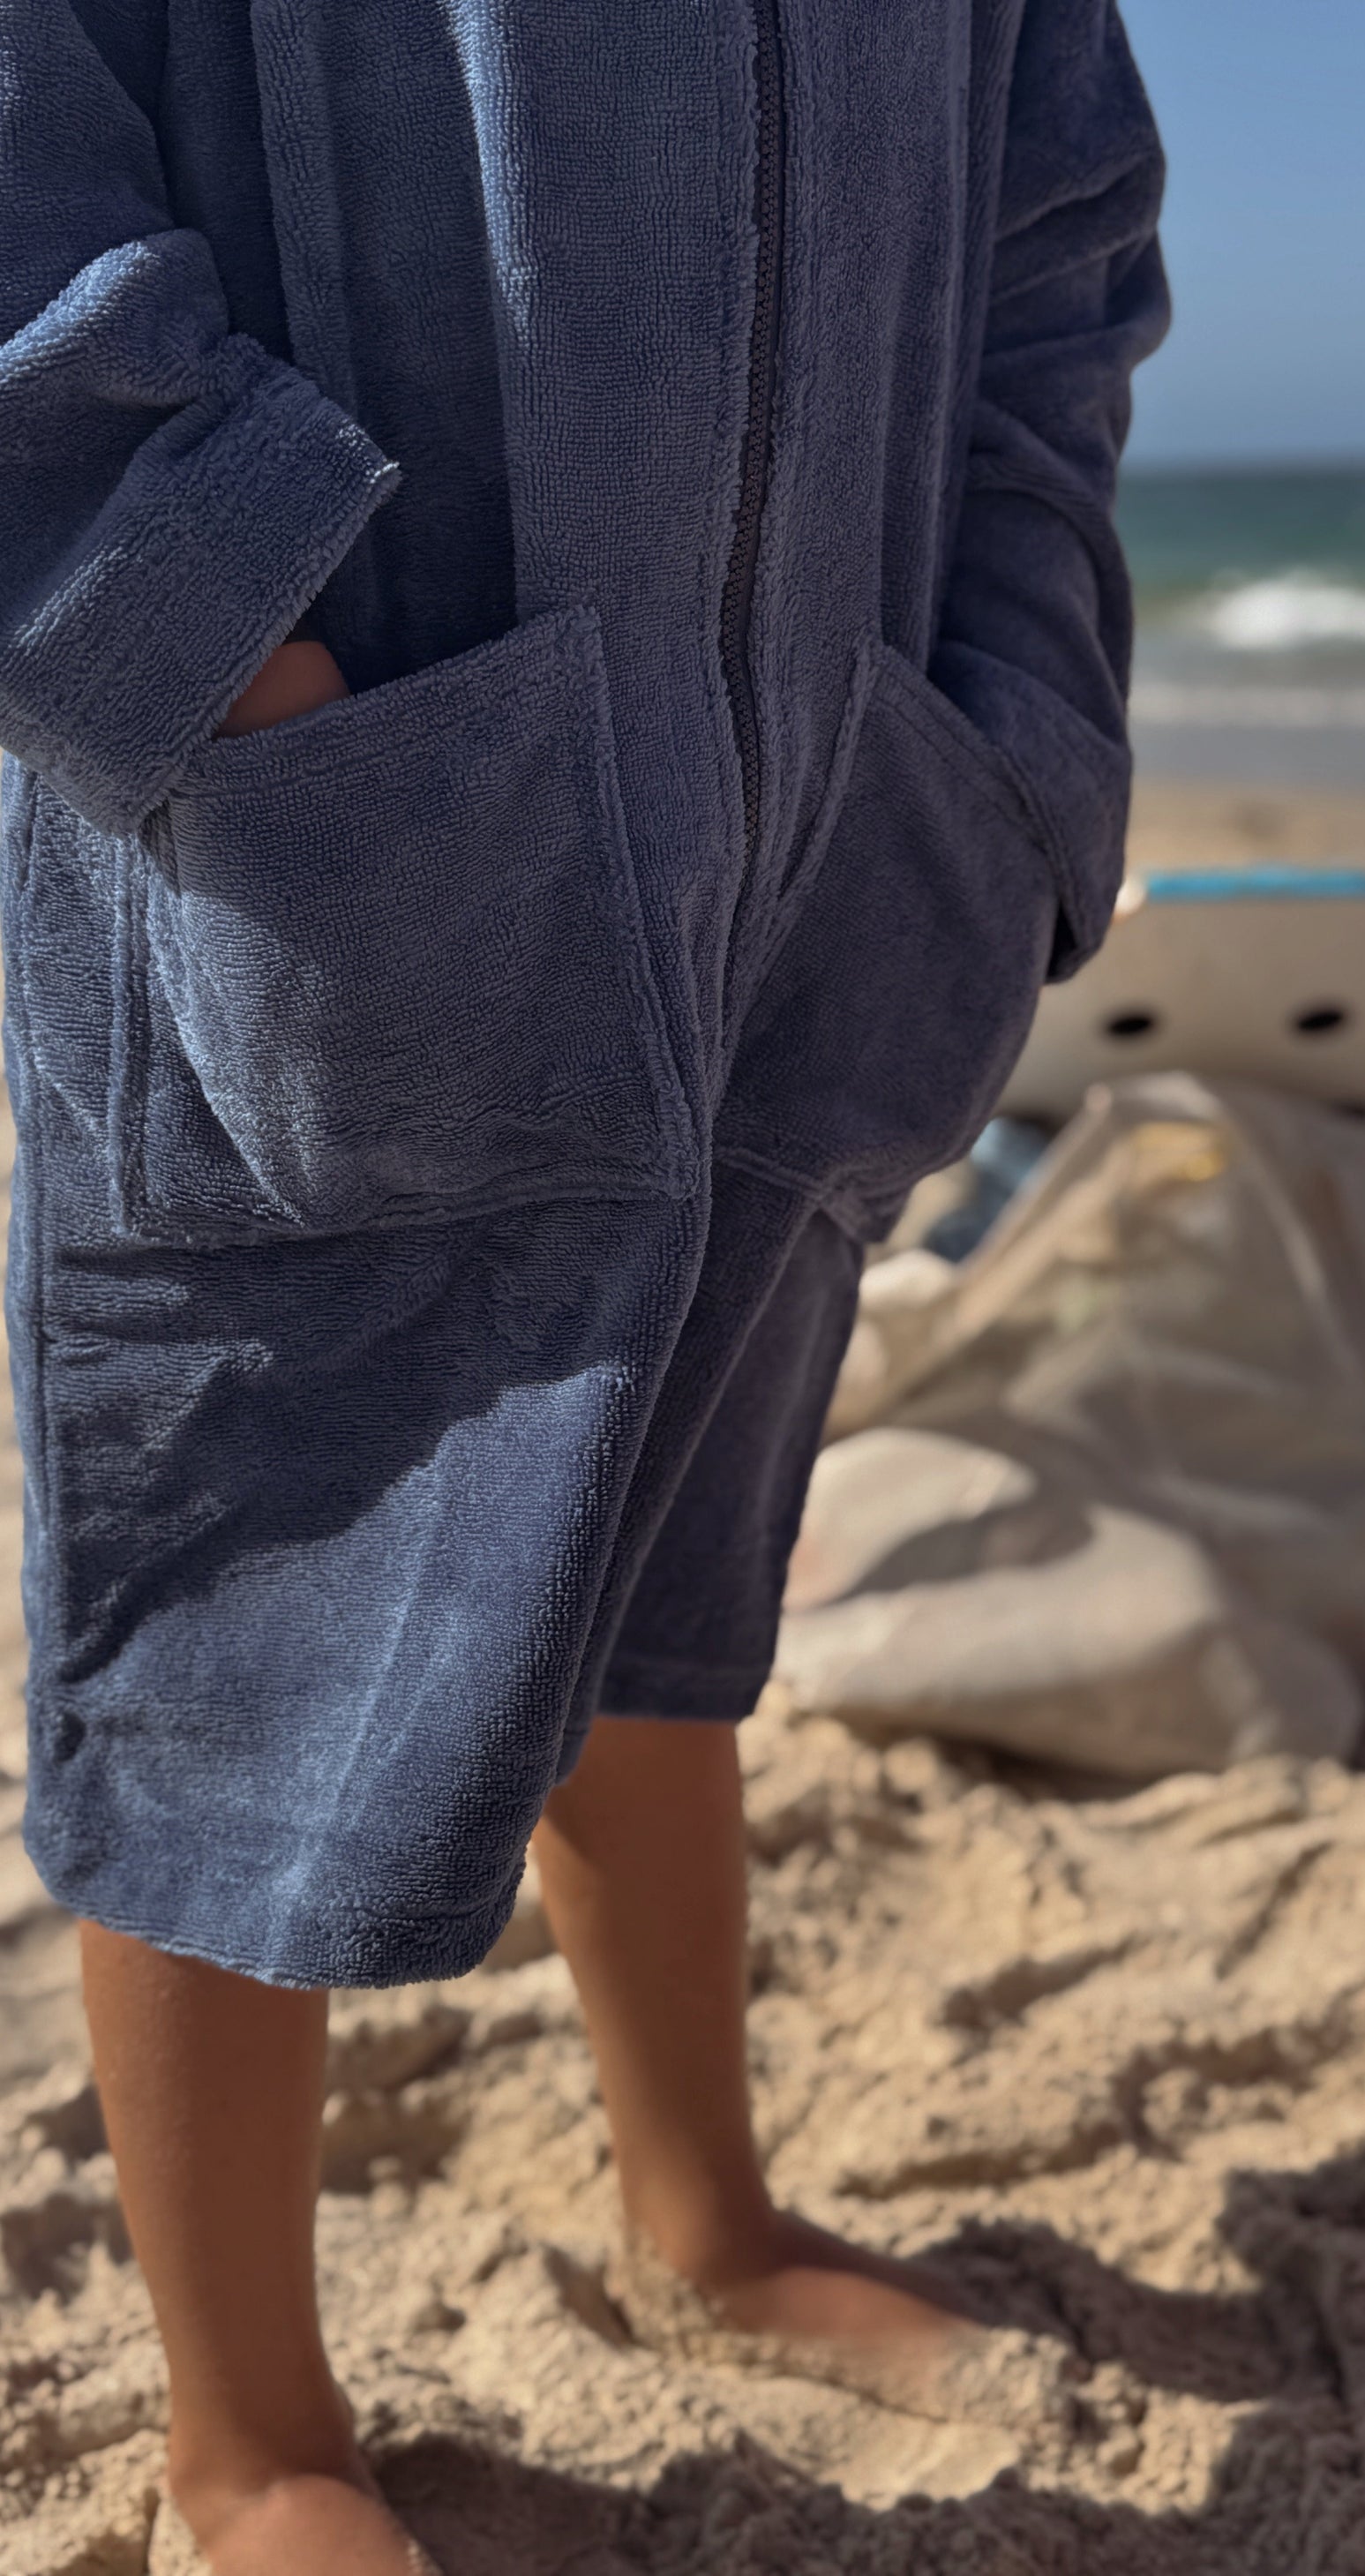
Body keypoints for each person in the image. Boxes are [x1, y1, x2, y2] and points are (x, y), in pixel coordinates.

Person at [0, 3, 1167, 2566]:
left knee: (672, 1554)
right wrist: (214, 632)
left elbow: (1057, 239)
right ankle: (247, 2436)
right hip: (319, 807)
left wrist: (1015, 734)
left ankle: (701, 2209)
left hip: (825, 820)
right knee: (237, 1608)